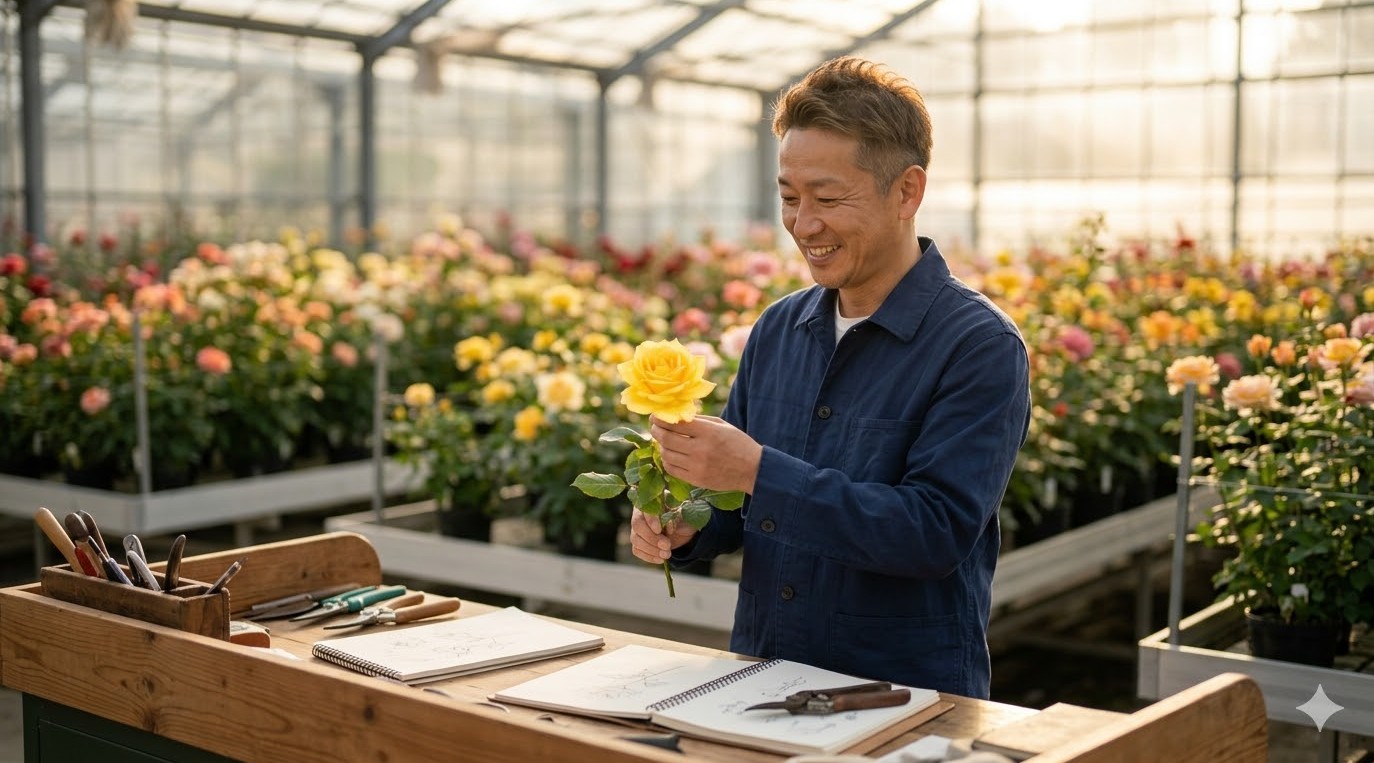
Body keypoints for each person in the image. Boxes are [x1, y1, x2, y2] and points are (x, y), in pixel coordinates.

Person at [630, 56, 1030, 700]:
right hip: (763, 683)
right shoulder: (778, 329)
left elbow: (933, 533)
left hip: (904, 700)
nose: (803, 224)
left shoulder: (978, 346)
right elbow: (737, 508)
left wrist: (758, 471)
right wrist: (687, 525)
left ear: (907, 192)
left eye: (828, 198)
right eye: (789, 197)